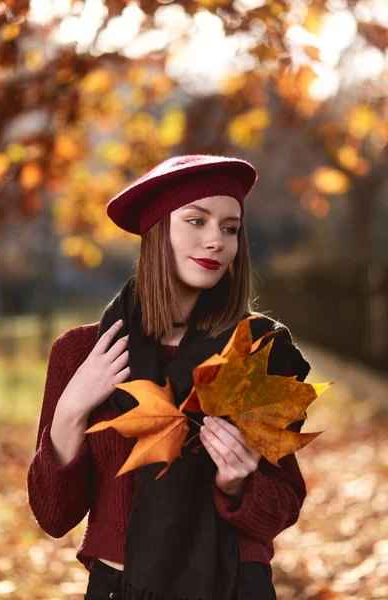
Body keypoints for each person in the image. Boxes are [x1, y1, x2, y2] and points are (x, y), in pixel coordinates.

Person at [27, 154, 311, 600]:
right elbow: (53, 516)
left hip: (234, 584)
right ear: (157, 230)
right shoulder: (82, 354)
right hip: (118, 587)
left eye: (230, 227)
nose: (216, 240)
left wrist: (238, 485)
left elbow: (282, 508)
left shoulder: (257, 350)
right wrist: (70, 411)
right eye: (196, 221)